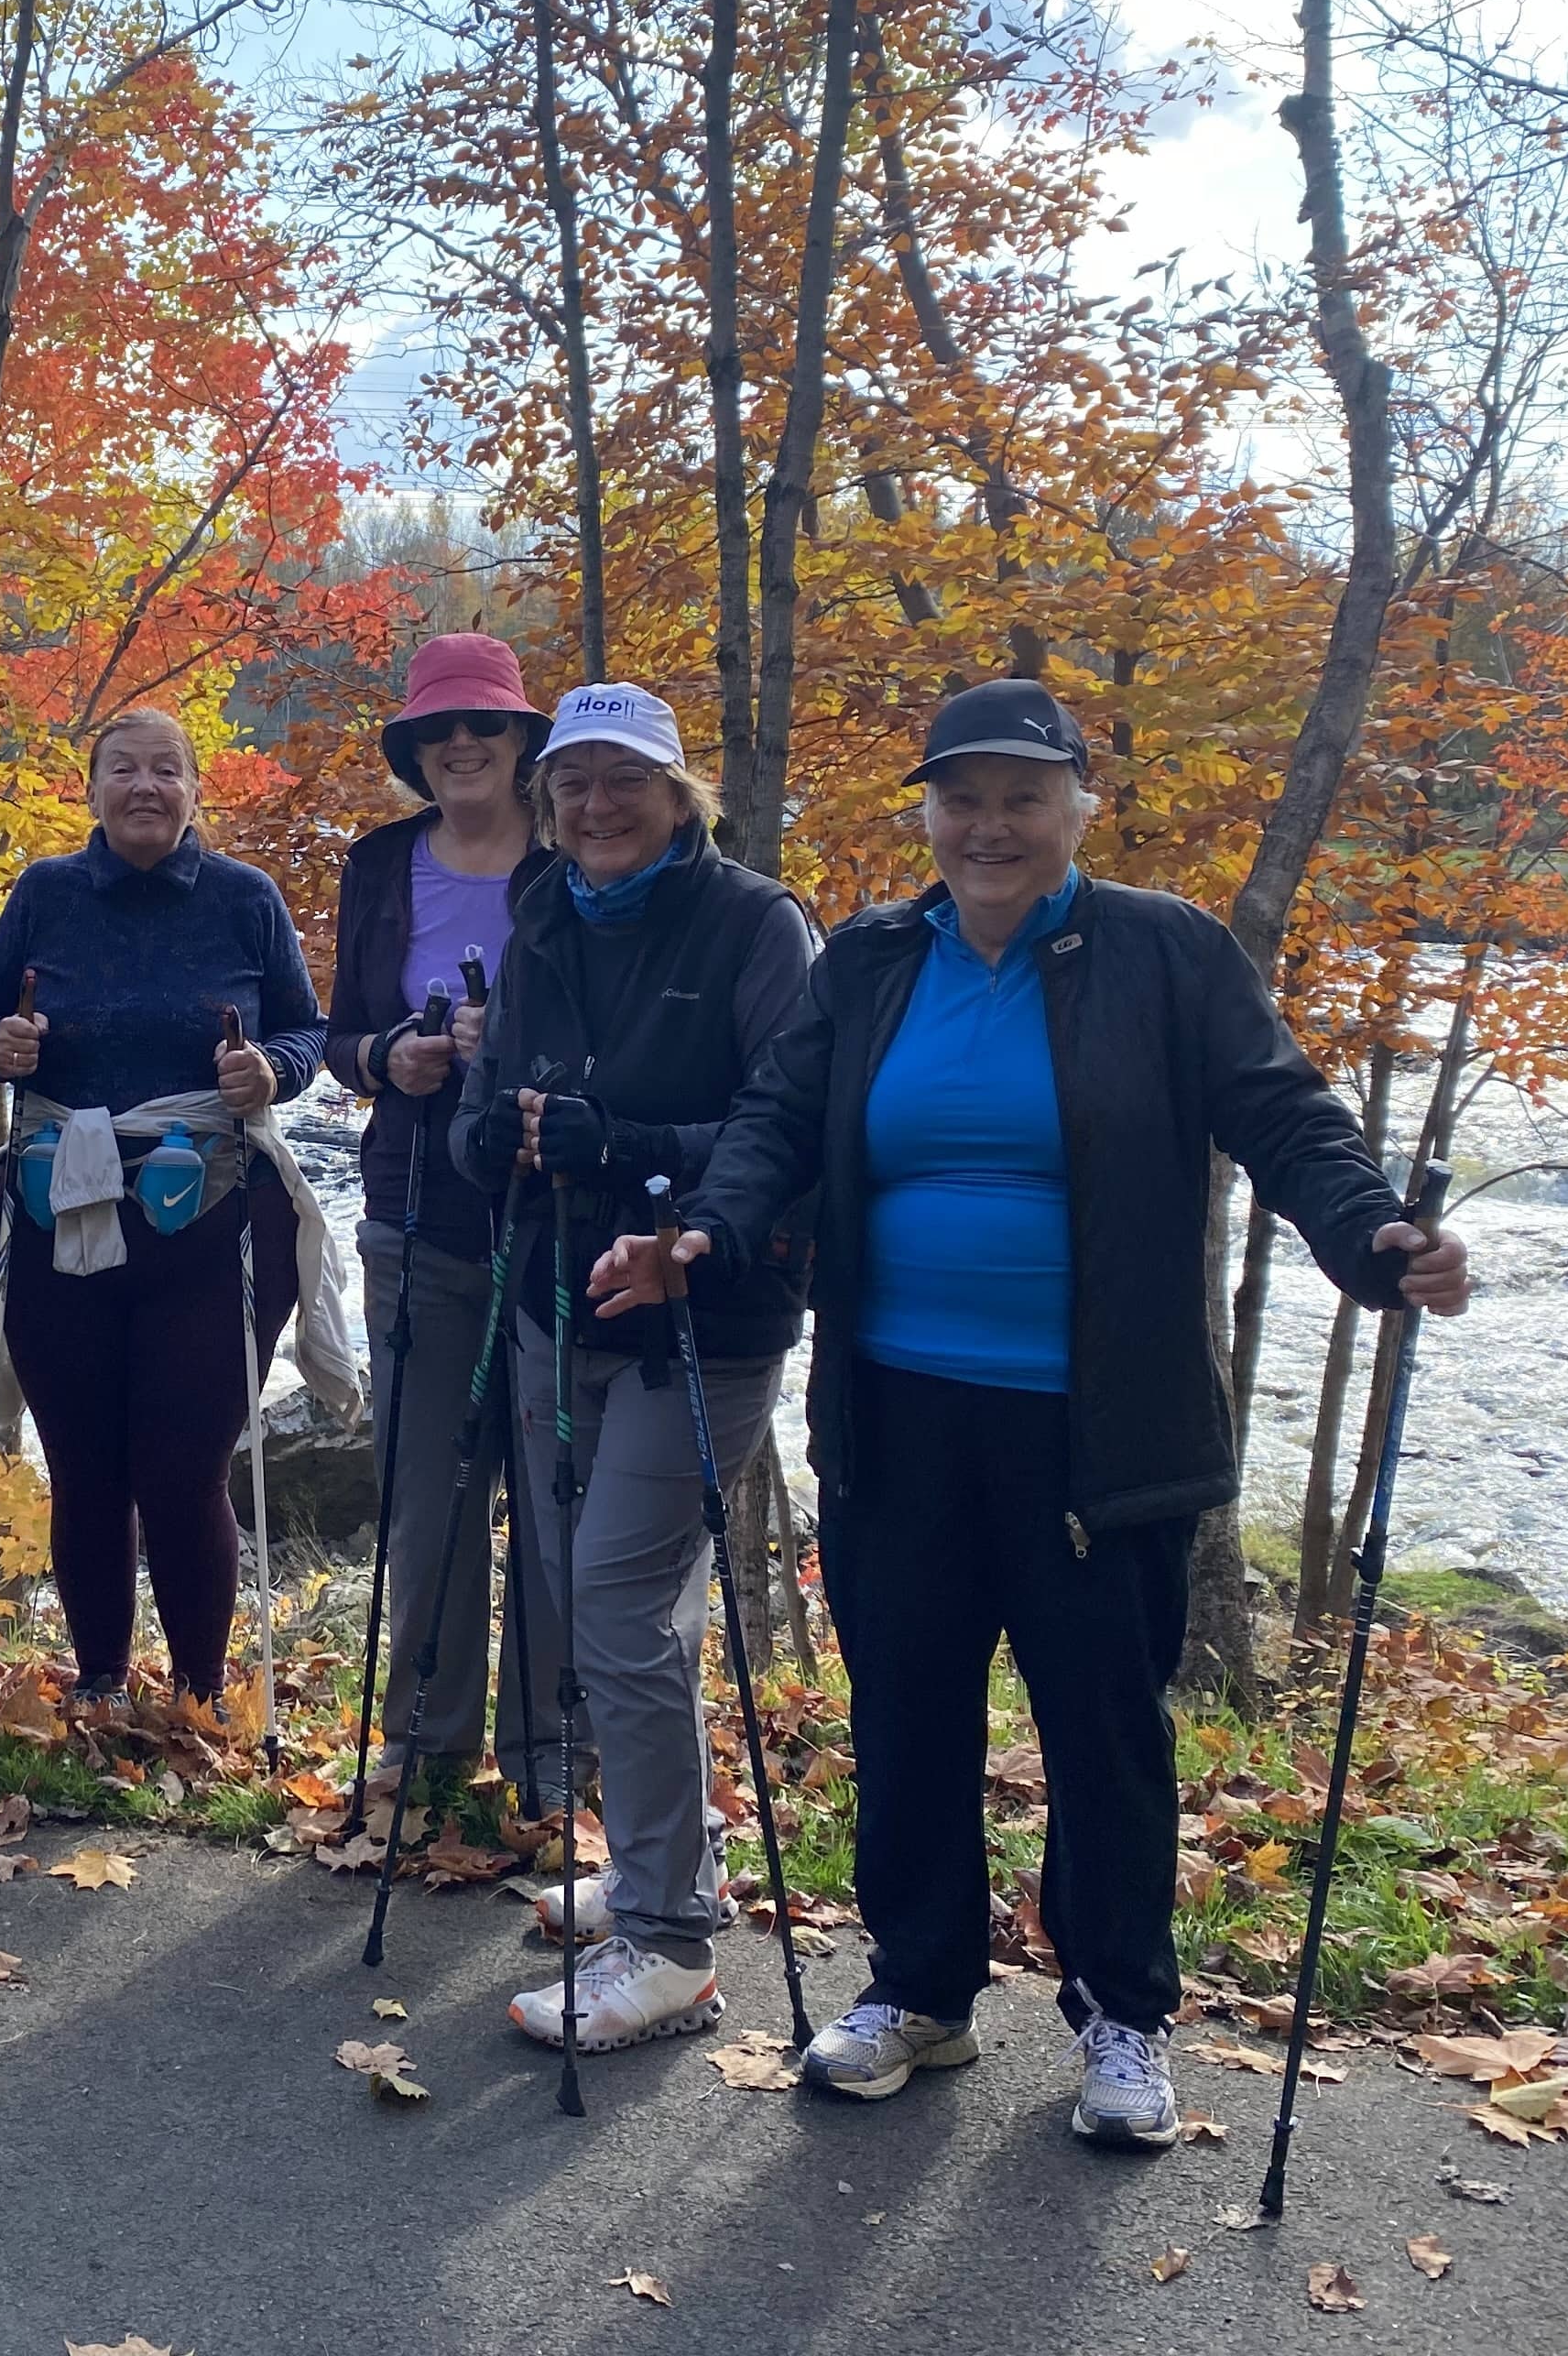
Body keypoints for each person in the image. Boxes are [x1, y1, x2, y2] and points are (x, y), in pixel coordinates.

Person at [593, 676, 1474, 2146]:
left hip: (1098, 1428)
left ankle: (1123, 2014)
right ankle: (919, 1993)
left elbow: (1283, 1113)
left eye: (1022, 797)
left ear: (1080, 807)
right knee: (909, 1713)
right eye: (963, 800)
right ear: (931, 815)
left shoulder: (1166, 952)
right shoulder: (873, 958)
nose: (989, 826)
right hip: (896, 1409)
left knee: (1102, 1730)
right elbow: (779, 1122)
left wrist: (1373, 1238)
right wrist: (705, 1235)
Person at [441, 682, 818, 2056]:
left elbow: (792, 1120)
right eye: (574, 784)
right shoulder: (544, 916)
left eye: (625, 781)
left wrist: (622, 1143)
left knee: (617, 1604)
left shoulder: (755, 924)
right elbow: (487, 1114)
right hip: (558, 1307)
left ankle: (669, 1945)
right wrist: (495, 1136)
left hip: (699, 1318)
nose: (597, 807)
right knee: (598, 1601)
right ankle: (663, 1858)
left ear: (678, 794)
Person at [0, 708, 358, 1711]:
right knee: (83, 1464)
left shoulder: (245, 897)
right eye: (125, 770)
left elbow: (308, 1031)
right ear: (93, 788)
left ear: (194, 790)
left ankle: (197, 1696)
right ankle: (99, 1685)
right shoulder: (45, 892)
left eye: (167, 771)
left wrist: (270, 1070)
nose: (146, 787)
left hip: (216, 1216)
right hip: (58, 1213)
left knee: (185, 1470)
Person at [322, 633, 552, 1802]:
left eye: (486, 725)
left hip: (558, 1217)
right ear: (413, 748)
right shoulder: (379, 865)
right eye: (439, 729)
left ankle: (552, 1754)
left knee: (557, 1498)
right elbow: (338, 1036)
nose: (463, 744)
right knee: (427, 1491)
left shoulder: (572, 860)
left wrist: (509, 1047)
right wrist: (389, 1057)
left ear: (522, 741)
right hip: (414, 1207)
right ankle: (427, 1745)